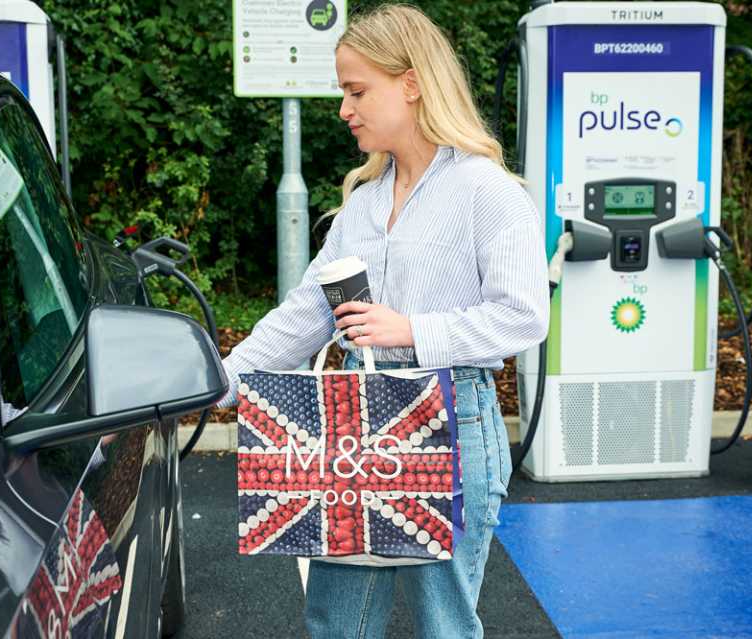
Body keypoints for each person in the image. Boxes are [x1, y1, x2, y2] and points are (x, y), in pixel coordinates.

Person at [216, 4, 549, 637]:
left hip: (451, 421)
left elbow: (525, 317)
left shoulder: (490, 192)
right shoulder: (362, 207)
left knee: (442, 627)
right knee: (336, 626)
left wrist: (412, 330)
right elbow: (306, 315)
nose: (345, 109)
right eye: (345, 92)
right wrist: (218, 380)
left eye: (357, 90)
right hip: (354, 430)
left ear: (413, 83)